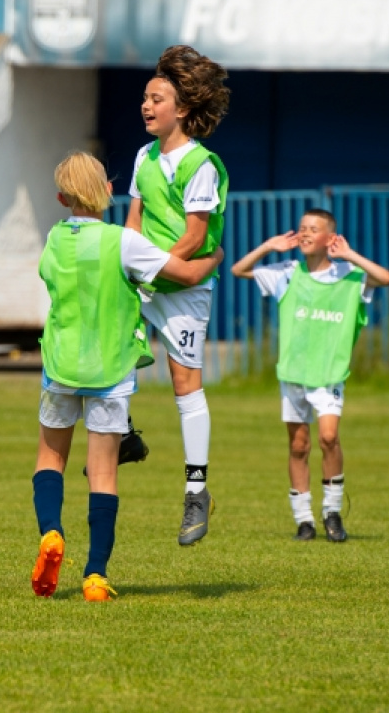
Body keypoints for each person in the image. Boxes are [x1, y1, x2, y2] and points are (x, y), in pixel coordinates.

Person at [31, 152, 224, 602]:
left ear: (61, 197)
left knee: (49, 459)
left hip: (60, 364)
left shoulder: (54, 239)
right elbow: (187, 271)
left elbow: (49, 278)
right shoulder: (124, 243)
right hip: (111, 371)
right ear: (109, 193)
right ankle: (95, 575)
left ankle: (51, 534)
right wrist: (215, 254)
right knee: (103, 475)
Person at [231, 209, 389, 541]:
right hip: (293, 374)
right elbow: (238, 270)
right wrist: (267, 247)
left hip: (329, 374)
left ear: (329, 238)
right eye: (302, 228)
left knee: (329, 437)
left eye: (313, 229)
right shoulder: (288, 272)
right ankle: (304, 520)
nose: (304, 234)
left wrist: (348, 253)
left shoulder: (349, 275)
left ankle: (332, 513)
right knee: (299, 445)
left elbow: (386, 278)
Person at [125, 44, 231, 546]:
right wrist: (130, 266)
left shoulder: (200, 163)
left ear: (182, 109)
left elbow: (194, 237)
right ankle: (124, 433)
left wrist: (152, 269)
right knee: (115, 350)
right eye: (145, 98)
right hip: (149, 279)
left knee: (184, 382)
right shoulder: (142, 157)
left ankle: (196, 491)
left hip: (183, 286)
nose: (146, 106)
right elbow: (132, 224)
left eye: (157, 98)